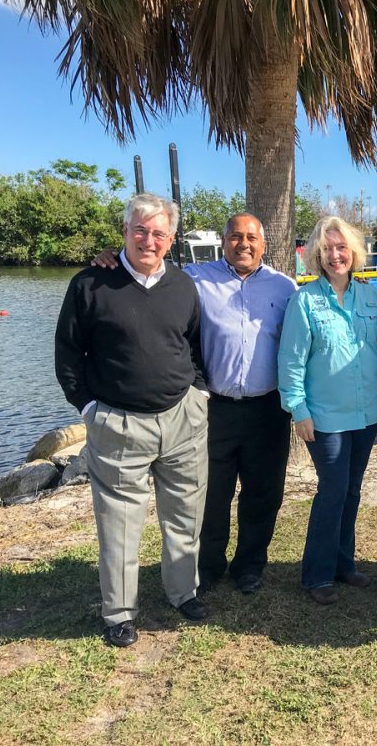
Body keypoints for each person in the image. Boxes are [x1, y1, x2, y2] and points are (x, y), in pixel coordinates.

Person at [92, 214, 297, 595]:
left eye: (252, 238)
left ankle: (250, 565)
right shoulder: (194, 280)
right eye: (235, 237)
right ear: (224, 241)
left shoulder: (285, 288)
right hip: (212, 407)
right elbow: (148, 268)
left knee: (264, 491)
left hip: (268, 409)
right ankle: (210, 566)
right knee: (210, 492)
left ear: (263, 245)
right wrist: (111, 257)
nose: (244, 244)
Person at [55, 193, 210, 648]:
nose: (148, 239)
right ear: (124, 231)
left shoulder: (183, 284)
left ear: (171, 238)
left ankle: (183, 592)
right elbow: (67, 356)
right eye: (140, 230)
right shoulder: (90, 284)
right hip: (118, 422)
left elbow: (196, 346)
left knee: (185, 514)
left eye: (158, 232)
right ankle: (120, 613)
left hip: (182, 418)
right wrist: (88, 409)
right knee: (120, 522)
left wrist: (198, 393)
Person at [278, 216, 377, 605]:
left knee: (352, 490)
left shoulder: (373, 297)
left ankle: (344, 563)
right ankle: (317, 574)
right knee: (333, 489)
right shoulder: (304, 301)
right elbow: (291, 361)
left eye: (341, 247)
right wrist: (298, 409)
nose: (335, 255)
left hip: (366, 413)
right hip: (324, 417)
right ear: (316, 256)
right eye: (327, 249)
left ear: (354, 252)